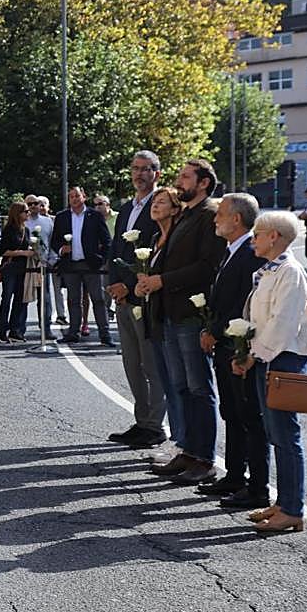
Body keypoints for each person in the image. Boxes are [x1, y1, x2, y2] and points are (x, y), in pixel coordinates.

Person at [137, 159, 225, 485]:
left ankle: (205, 459)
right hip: (171, 315)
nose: (179, 181)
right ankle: (188, 450)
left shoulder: (208, 215)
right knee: (181, 387)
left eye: (186, 176)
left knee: (199, 388)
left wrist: (162, 281)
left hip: (190, 314)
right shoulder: (187, 215)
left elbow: (207, 267)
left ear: (203, 183)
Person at [234, 210, 307, 534]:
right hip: (268, 357)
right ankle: (284, 504)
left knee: (285, 436)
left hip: (282, 359)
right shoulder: (270, 271)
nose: (252, 239)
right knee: (276, 435)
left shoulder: (290, 272)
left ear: (274, 237)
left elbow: (282, 324)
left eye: (257, 234)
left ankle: (293, 509)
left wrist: (253, 355)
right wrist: (248, 351)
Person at [199, 194, 268, 509]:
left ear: (237, 219)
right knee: (231, 413)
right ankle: (236, 476)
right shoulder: (231, 252)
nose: (215, 219)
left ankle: (257, 487)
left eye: (221, 214)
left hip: (238, 347)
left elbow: (243, 303)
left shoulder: (250, 255)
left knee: (248, 417)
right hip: (226, 345)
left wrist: (216, 331)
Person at [105, 151, 166, 449]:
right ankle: (142, 421)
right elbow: (115, 249)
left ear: (156, 173)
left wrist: (129, 286)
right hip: (123, 298)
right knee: (131, 363)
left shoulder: (161, 207)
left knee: (151, 364)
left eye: (146, 169)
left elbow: (157, 254)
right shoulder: (126, 208)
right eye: (135, 169)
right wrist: (113, 283)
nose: (139, 174)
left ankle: (155, 425)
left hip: (145, 297)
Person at [141, 187, 186, 455]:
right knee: (168, 382)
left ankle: (183, 442)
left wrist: (157, 283)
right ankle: (177, 439)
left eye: (162, 202)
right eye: (154, 202)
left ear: (175, 208)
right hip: (155, 316)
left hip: (174, 316)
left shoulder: (176, 239)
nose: (155, 205)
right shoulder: (156, 236)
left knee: (179, 384)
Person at [52, 186, 112, 347]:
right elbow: (55, 241)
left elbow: (107, 241)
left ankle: (105, 334)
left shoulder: (95, 215)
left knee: (98, 299)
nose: (74, 199)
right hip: (70, 264)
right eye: (71, 197)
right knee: (73, 300)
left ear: (84, 197)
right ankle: (73, 333)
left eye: (77, 196)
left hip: (91, 264)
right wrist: (61, 249)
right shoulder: (61, 217)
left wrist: (101, 260)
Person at [0, 201, 34, 344]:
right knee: (7, 298)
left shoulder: (27, 230)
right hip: (11, 268)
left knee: (19, 299)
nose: (28, 213)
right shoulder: (9, 229)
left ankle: (15, 330)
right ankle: (2, 330)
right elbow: (4, 250)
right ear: (18, 213)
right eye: (25, 211)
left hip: (23, 268)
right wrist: (23, 252)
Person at [24, 195, 56, 342]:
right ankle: (19, 328)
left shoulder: (48, 221)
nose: (33, 206)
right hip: (26, 264)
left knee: (45, 298)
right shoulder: (23, 221)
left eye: (36, 203)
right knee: (23, 296)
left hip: (43, 263)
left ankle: (46, 327)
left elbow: (52, 242)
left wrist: (51, 260)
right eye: (29, 204)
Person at [39, 196, 68, 327]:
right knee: (43, 291)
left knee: (58, 289)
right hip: (41, 260)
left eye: (44, 204)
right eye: (39, 204)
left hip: (56, 259)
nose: (41, 207)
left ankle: (61, 314)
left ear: (48, 206)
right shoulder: (34, 221)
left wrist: (56, 257)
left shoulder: (56, 221)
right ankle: (45, 317)